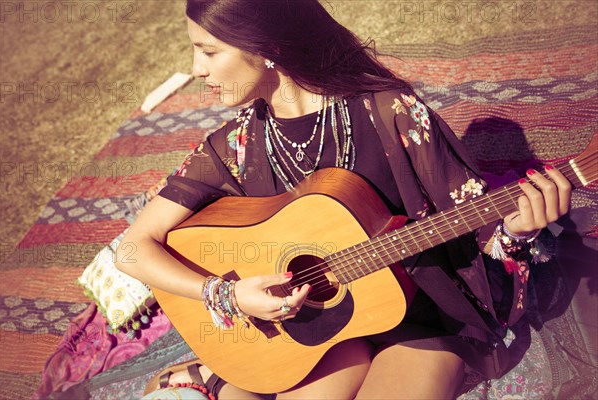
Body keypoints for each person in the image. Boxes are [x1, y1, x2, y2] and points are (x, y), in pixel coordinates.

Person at [115, 1, 572, 398]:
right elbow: (134, 249)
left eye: (209, 51)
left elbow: (474, 229)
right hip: (316, 333)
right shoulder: (233, 146)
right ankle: (221, 379)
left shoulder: (389, 111)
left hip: (421, 321)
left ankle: (217, 383)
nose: (197, 69)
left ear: (268, 49)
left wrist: (516, 231)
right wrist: (226, 293)